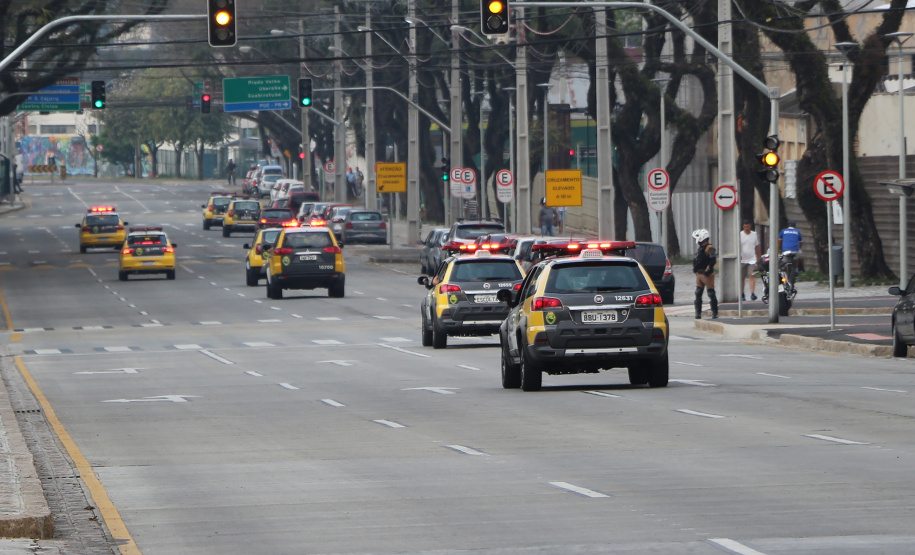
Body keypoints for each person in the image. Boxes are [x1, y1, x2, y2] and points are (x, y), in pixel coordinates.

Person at [691, 228, 718, 319]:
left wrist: (709, 268)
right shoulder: (701, 249)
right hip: (699, 273)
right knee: (698, 292)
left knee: (711, 293)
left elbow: (713, 259)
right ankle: (698, 313)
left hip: (707, 274)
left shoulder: (709, 248)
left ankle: (715, 312)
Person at [740, 219, 761, 301]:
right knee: (742, 278)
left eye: (748, 226)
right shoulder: (740, 235)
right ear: (743, 227)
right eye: (745, 226)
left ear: (750, 226)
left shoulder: (754, 234)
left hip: (752, 259)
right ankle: (742, 294)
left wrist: (759, 258)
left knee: (752, 276)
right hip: (742, 260)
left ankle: (752, 293)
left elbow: (757, 247)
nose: (747, 227)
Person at [778, 219, 803, 285]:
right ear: (795, 226)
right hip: (795, 251)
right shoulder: (797, 232)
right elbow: (800, 243)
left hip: (786, 251)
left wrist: (779, 249)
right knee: (797, 256)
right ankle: (797, 269)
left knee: (783, 262)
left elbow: (779, 241)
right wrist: (798, 249)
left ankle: (783, 272)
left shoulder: (783, 231)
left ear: (787, 225)